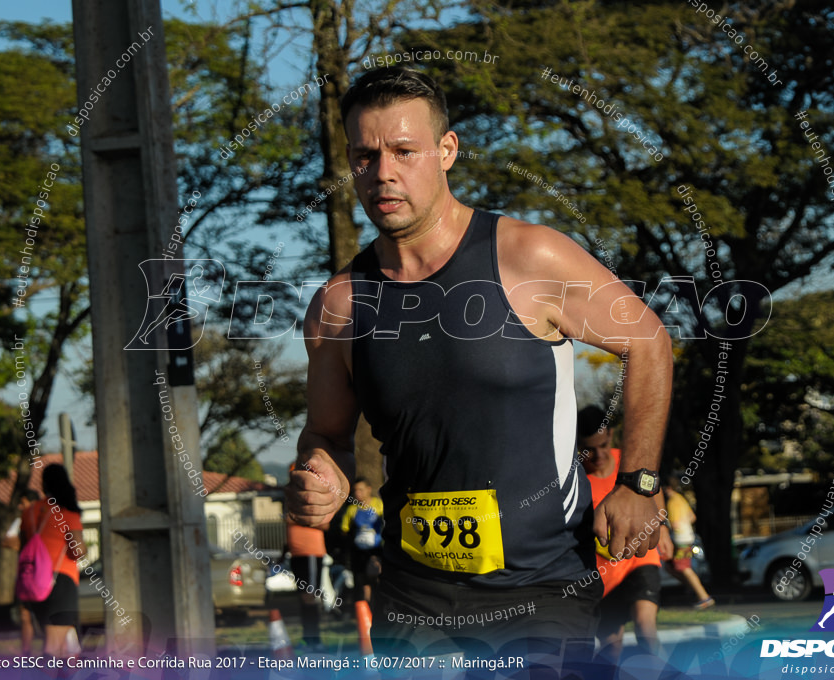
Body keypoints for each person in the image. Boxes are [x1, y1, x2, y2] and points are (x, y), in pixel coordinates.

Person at [285, 66, 673, 656]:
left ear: (447, 151)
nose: (383, 172)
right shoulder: (339, 305)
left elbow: (647, 341)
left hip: (542, 588)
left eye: (404, 151)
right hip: (412, 596)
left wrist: (639, 481)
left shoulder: (527, 256)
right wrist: (322, 473)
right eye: (365, 155)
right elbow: (326, 433)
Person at [577, 406, 671, 661]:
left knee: (645, 629)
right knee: (610, 647)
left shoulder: (627, 464)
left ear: (611, 435)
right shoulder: (576, 481)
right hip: (603, 576)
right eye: (589, 449)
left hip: (640, 560)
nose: (598, 455)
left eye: (603, 445)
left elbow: (652, 487)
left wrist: (661, 524)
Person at [22, 464, 85, 657]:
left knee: (64, 646)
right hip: (60, 581)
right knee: (54, 646)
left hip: (35, 584)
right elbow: (78, 551)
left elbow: (24, 545)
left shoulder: (30, 512)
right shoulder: (67, 513)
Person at [663, 478, 714, 609]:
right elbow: (693, 517)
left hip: (680, 540)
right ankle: (692, 588)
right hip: (688, 537)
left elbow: (674, 524)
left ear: (668, 488)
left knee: (683, 568)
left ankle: (704, 597)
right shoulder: (681, 499)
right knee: (670, 567)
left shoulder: (673, 502)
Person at [2, 490, 41, 652]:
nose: (20, 506)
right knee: (25, 615)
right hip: (26, 575)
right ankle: (27, 654)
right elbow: (7, 541)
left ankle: (55, 654)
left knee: (46, 616)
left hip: (41, 573)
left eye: (23, 502)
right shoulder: (21, 521)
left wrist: (22, 544)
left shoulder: (42, 519)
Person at [285, 515, 328, 649]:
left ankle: (315, 640)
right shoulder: (291, 502)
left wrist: (299, 519)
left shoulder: (314, 504)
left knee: (310, 597)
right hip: (296, 555)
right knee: (303, 598)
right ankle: (307, 638)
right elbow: (287, 519)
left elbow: (325, 525)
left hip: (311, 553)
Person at [340, 478, 384, 604]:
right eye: (355, 490)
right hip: (359, 552)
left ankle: (381, 607)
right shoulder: (352, 509)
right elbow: (344, 530)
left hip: (376, 550)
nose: (358, 493)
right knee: (363, 581)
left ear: (369, 489)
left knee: (377, 577)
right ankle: (367, 611)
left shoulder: (379, 505)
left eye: (361, 490)